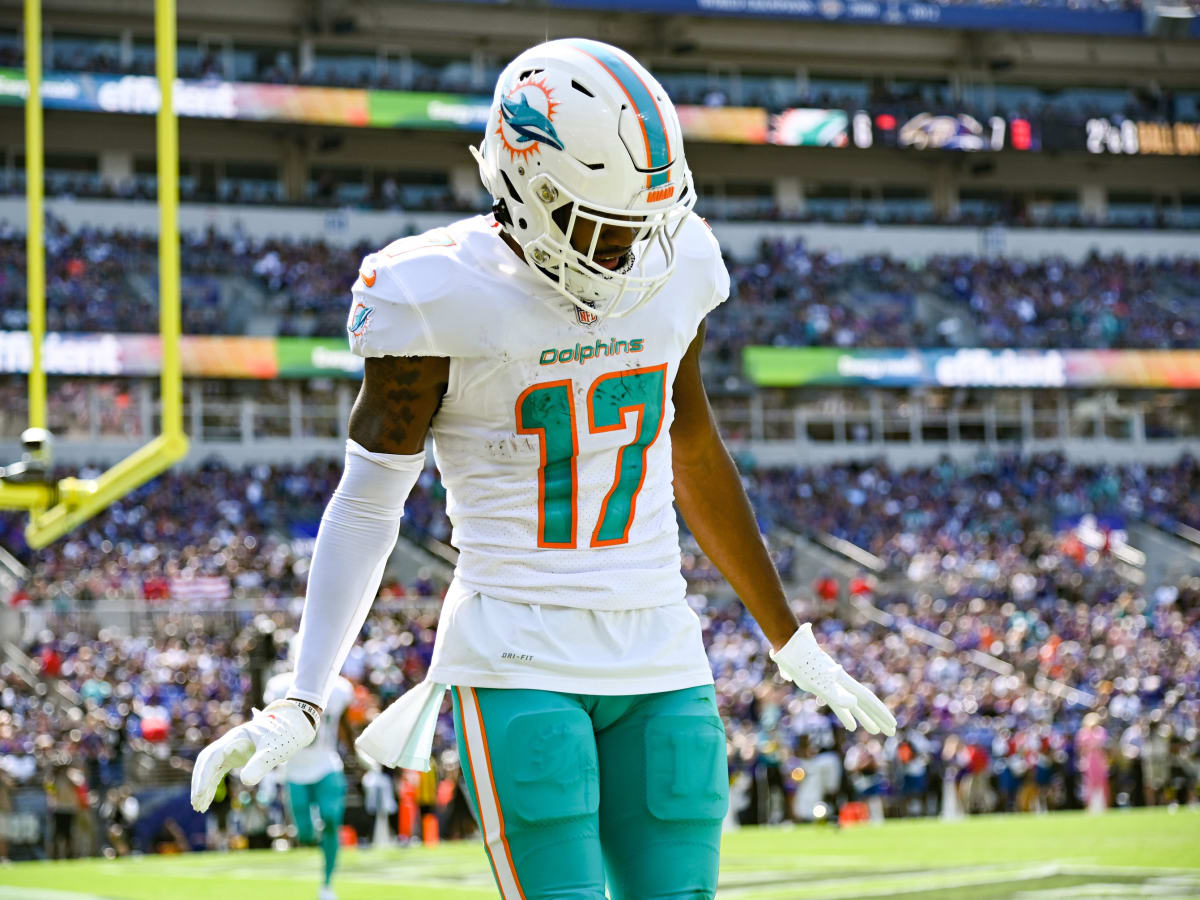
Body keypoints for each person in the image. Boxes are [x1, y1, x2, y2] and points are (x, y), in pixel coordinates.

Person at [191, 38, 895, 900]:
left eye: (645, 225)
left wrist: (791, 641)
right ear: (528, 190)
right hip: (516, 646)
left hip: (662, 646)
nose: (630, 253)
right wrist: (304, 693)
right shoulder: (433, 291)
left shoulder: (676, 261)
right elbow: (369, 504)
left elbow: (691, 440)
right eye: (604, 227)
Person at [264, 662, 356, 900]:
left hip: (327, 763)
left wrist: (358, 754)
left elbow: (344, 725)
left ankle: (327, 884)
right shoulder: (280, 687)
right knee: (304, 834)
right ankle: (314, 835)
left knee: (332, 817)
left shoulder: (339, 688)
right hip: (295, 768)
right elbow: (268, 725)